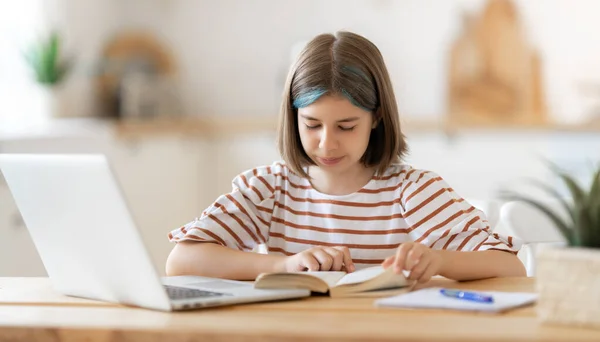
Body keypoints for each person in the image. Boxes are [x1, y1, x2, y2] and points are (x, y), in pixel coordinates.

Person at [166, 31, 526, 283]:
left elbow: (510, 268)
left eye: (346, 126)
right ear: (293, 119)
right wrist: (285, 265)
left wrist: (441, 260)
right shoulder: (269, 188)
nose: (326, 144)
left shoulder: (412, 190)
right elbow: (181, 261)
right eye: (312, 125)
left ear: (377, 119)